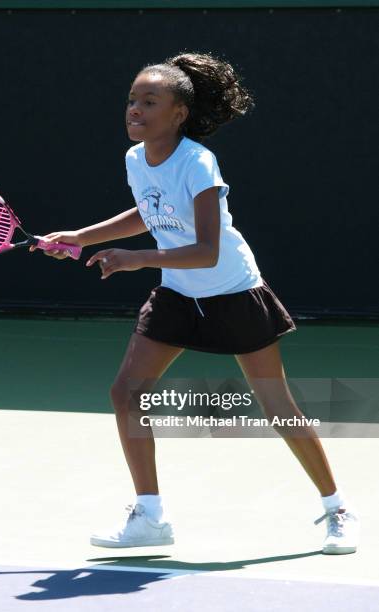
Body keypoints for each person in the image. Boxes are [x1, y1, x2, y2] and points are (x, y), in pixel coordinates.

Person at [37, 52, 359, 554]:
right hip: (178, 295)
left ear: (179, 114)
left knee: (277, 405)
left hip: (233, 292)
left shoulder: (197, 162)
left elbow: (208, 251)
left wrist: (134, 260)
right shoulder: (135, 159)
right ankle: (149, 516)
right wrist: (82, 236)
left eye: (150, 101)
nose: (135, 110)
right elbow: (150, 212)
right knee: (127, 393)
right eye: (131, 100)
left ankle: (336, 507)